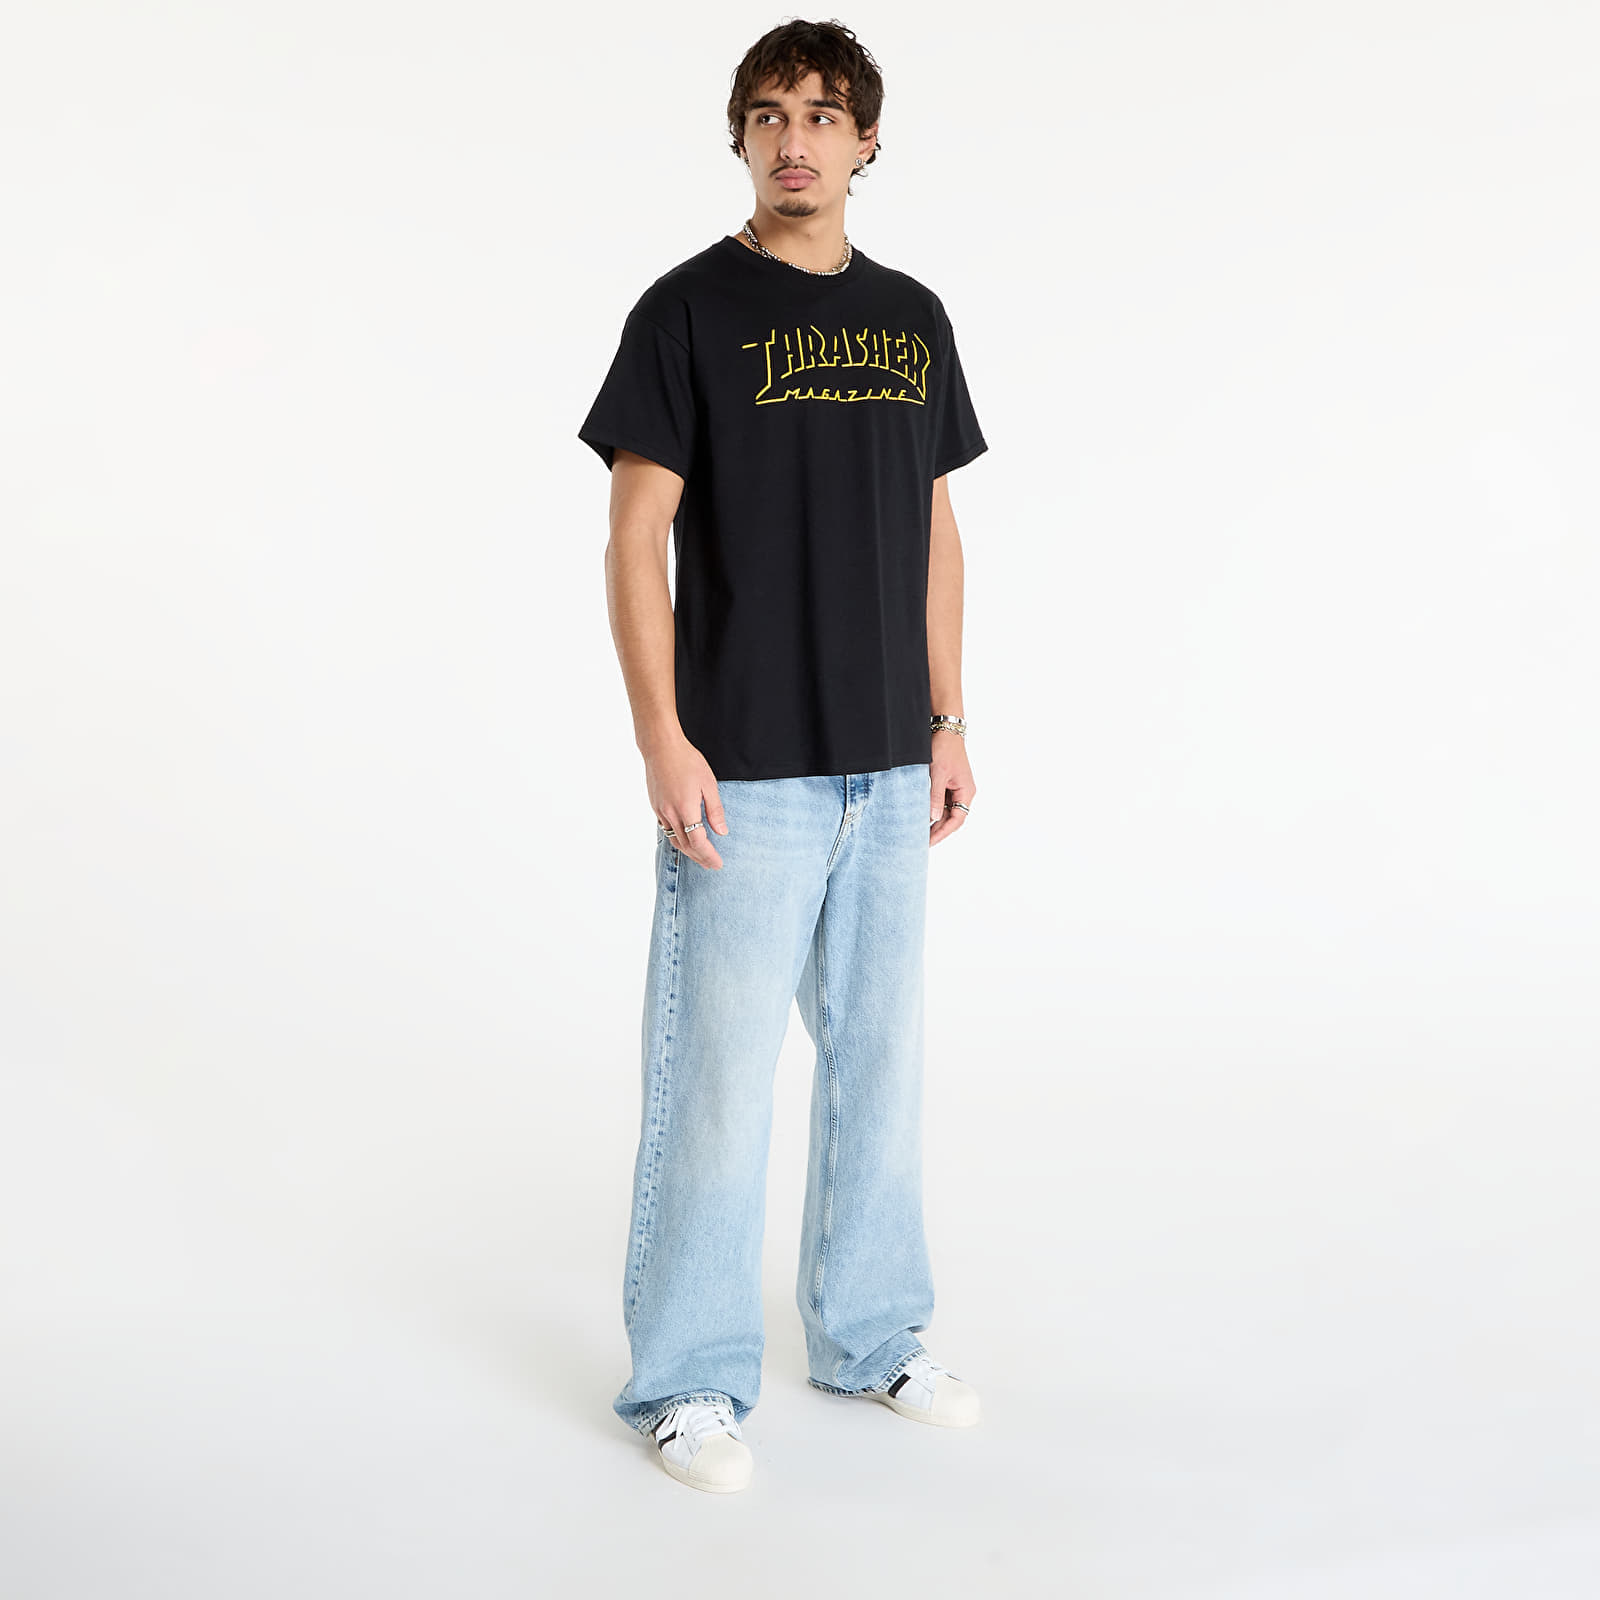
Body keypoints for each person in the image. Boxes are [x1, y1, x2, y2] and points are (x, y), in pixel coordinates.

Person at [578, 18, 988, 1494]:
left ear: (867, 142)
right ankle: (687, 1382)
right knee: (716, 1084)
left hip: (886, 763)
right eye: (768, 114)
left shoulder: (913, 316)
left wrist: (945, 721)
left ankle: (872, 1338)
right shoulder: (685, 311)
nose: (795, 138)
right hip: (742, 766)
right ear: (741, 138)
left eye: (823, 114)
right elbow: (634, 536)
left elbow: (936, 530)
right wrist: (662, 736)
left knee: (880, 1068)